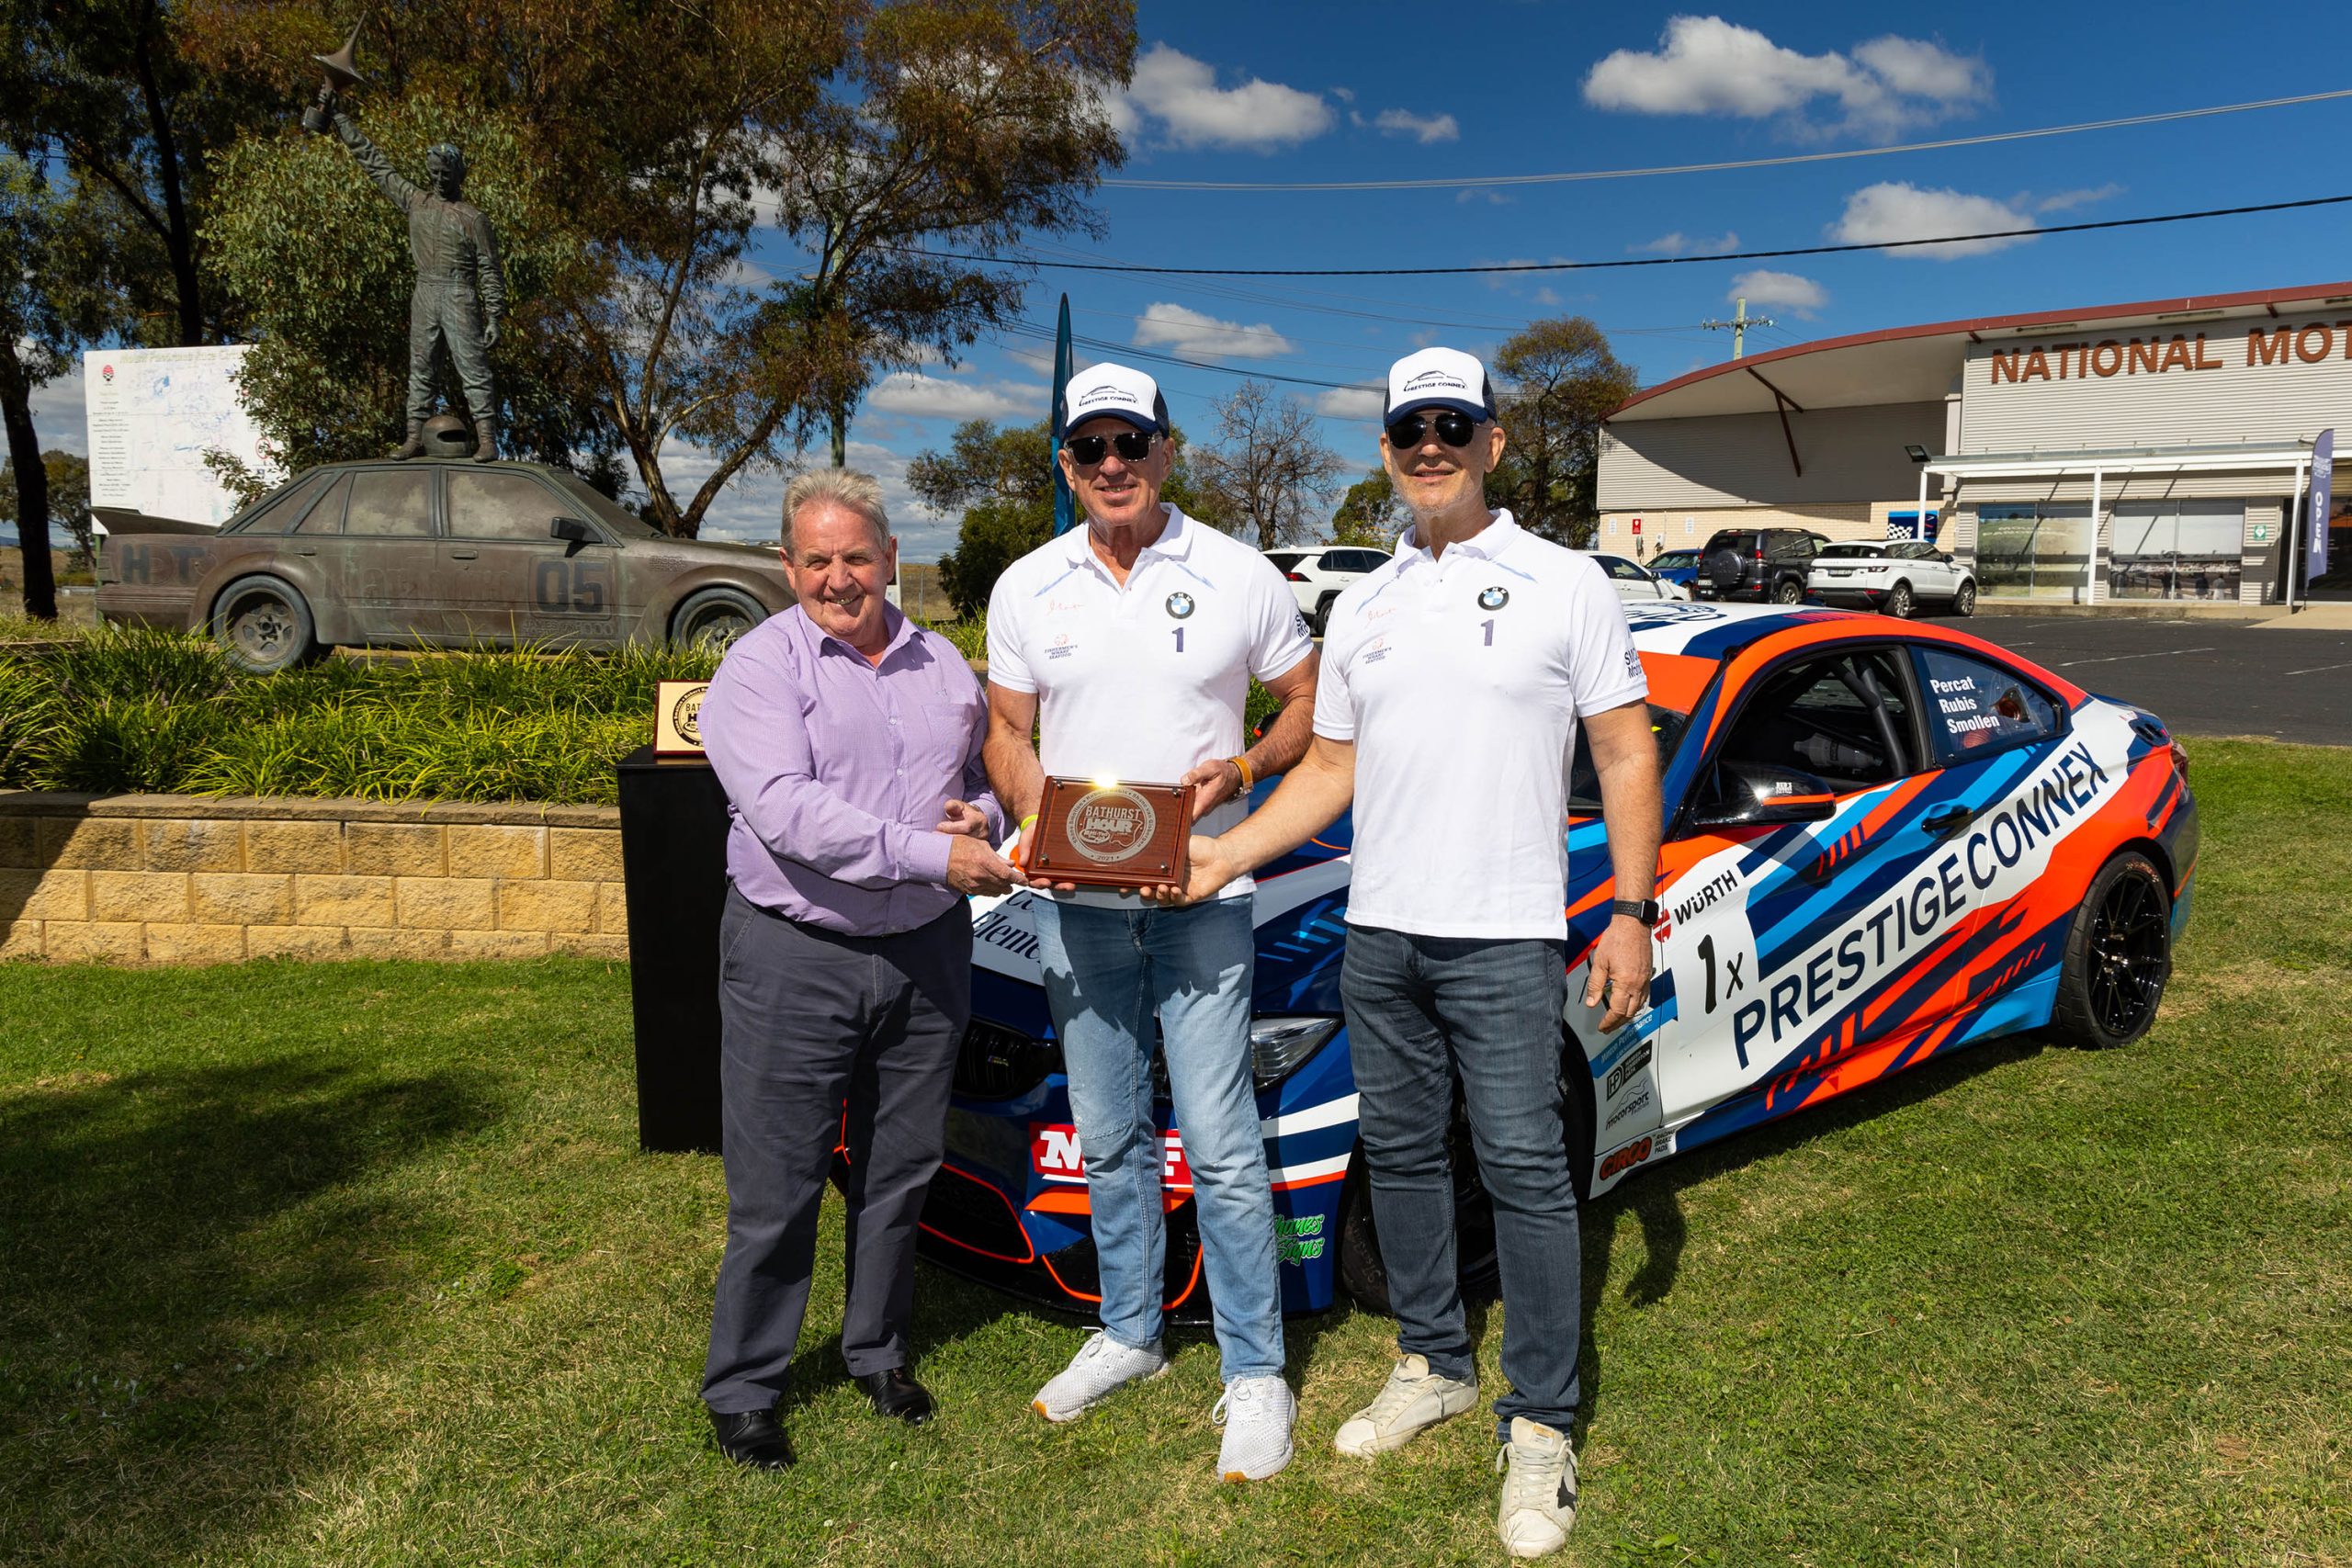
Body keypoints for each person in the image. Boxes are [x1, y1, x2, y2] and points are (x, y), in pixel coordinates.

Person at [1160, 348, 1665, 1557]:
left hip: (1504, 935)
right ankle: (1434, 1358)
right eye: (1408, 430)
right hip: (1379, 933)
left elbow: (1625, 750)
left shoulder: (1565, 582)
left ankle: (1540, 1421)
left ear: (1492, 441)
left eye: (1452, 425)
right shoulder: (1365, 602)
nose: (1429, 446)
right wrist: (1227, 856)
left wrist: (1632, 909)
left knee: (1525, 1169)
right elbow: (1332, 767)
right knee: (1401, 1155)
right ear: (1386, 450)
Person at [981, 362, 1320, 1483]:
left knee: (1219, 1141)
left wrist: (1243, 769)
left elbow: (1306, 705)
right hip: (1076, 905)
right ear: (1067, 463)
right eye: (1092, 448)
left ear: (1167, 452)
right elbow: (1005, 730)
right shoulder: (1027, 584)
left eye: (1132, 443)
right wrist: (1037, 813)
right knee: (1110, 1129)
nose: (1113, 464)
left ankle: (1255, 1369)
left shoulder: (1236, 572)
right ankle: (1129, 1331)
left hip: (1202, 898)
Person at [697, 468, 1023, 1471]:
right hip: (796, 952)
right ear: (786, 565)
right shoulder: (758, 668)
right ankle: (747, 1387)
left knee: (902, 1166)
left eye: (855, 557)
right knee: (779, 1180)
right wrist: (934, 855)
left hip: (926, 948)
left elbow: (979, 779)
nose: (838, 578)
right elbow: (788, 813)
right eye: (817, 560)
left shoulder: (944, 663)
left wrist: (983, 815)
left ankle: (877, 1351)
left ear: (890, 558)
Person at [318, 89, 505, 461]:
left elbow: (490, 268)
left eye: (446, 173)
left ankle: (487, 439)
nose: (440, 178)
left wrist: (495, 315)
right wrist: (339, 119)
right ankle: (414, 437)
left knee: (473, 369)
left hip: (459, 294)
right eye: (434, 172)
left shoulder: (473, 218)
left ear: (459, 174)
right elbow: (375, 163)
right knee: (420, 370)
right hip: (425, 293)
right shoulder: (415, 201)